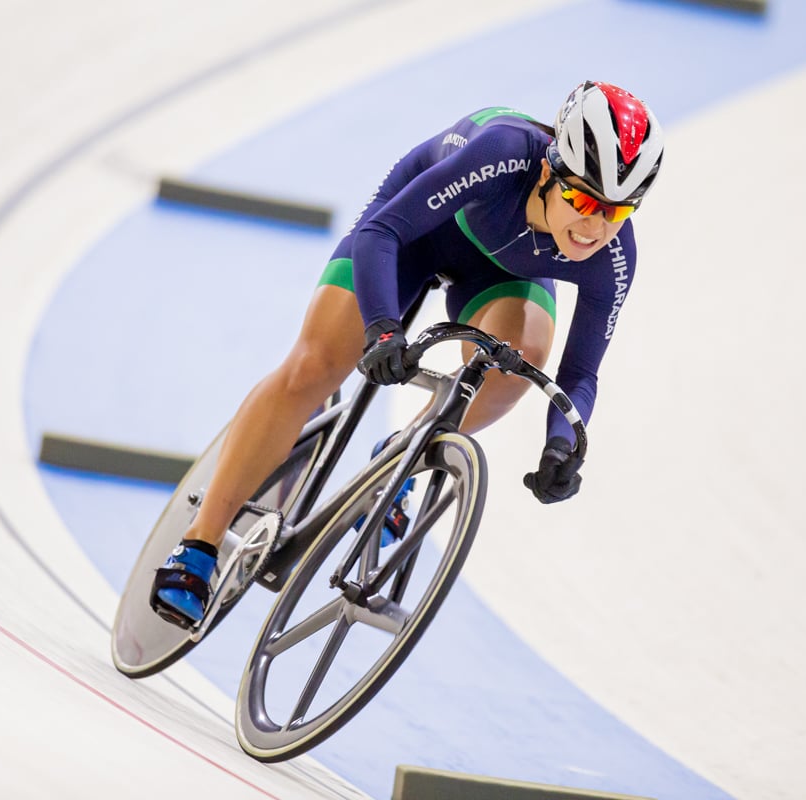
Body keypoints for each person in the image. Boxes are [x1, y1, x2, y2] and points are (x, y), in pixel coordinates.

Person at [150, 80, 665, 628]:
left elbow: (579, 374)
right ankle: (200, 545)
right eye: (584, 200)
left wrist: (562, 445)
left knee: (522, 359)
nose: (594, 226)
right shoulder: (504, 154)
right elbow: (381, 231)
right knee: (315, 367)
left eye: (618, 210)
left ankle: (402, 451)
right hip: (410, 233)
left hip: (501, 275)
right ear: (548, 171)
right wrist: (381, 330)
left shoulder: (613, 258)